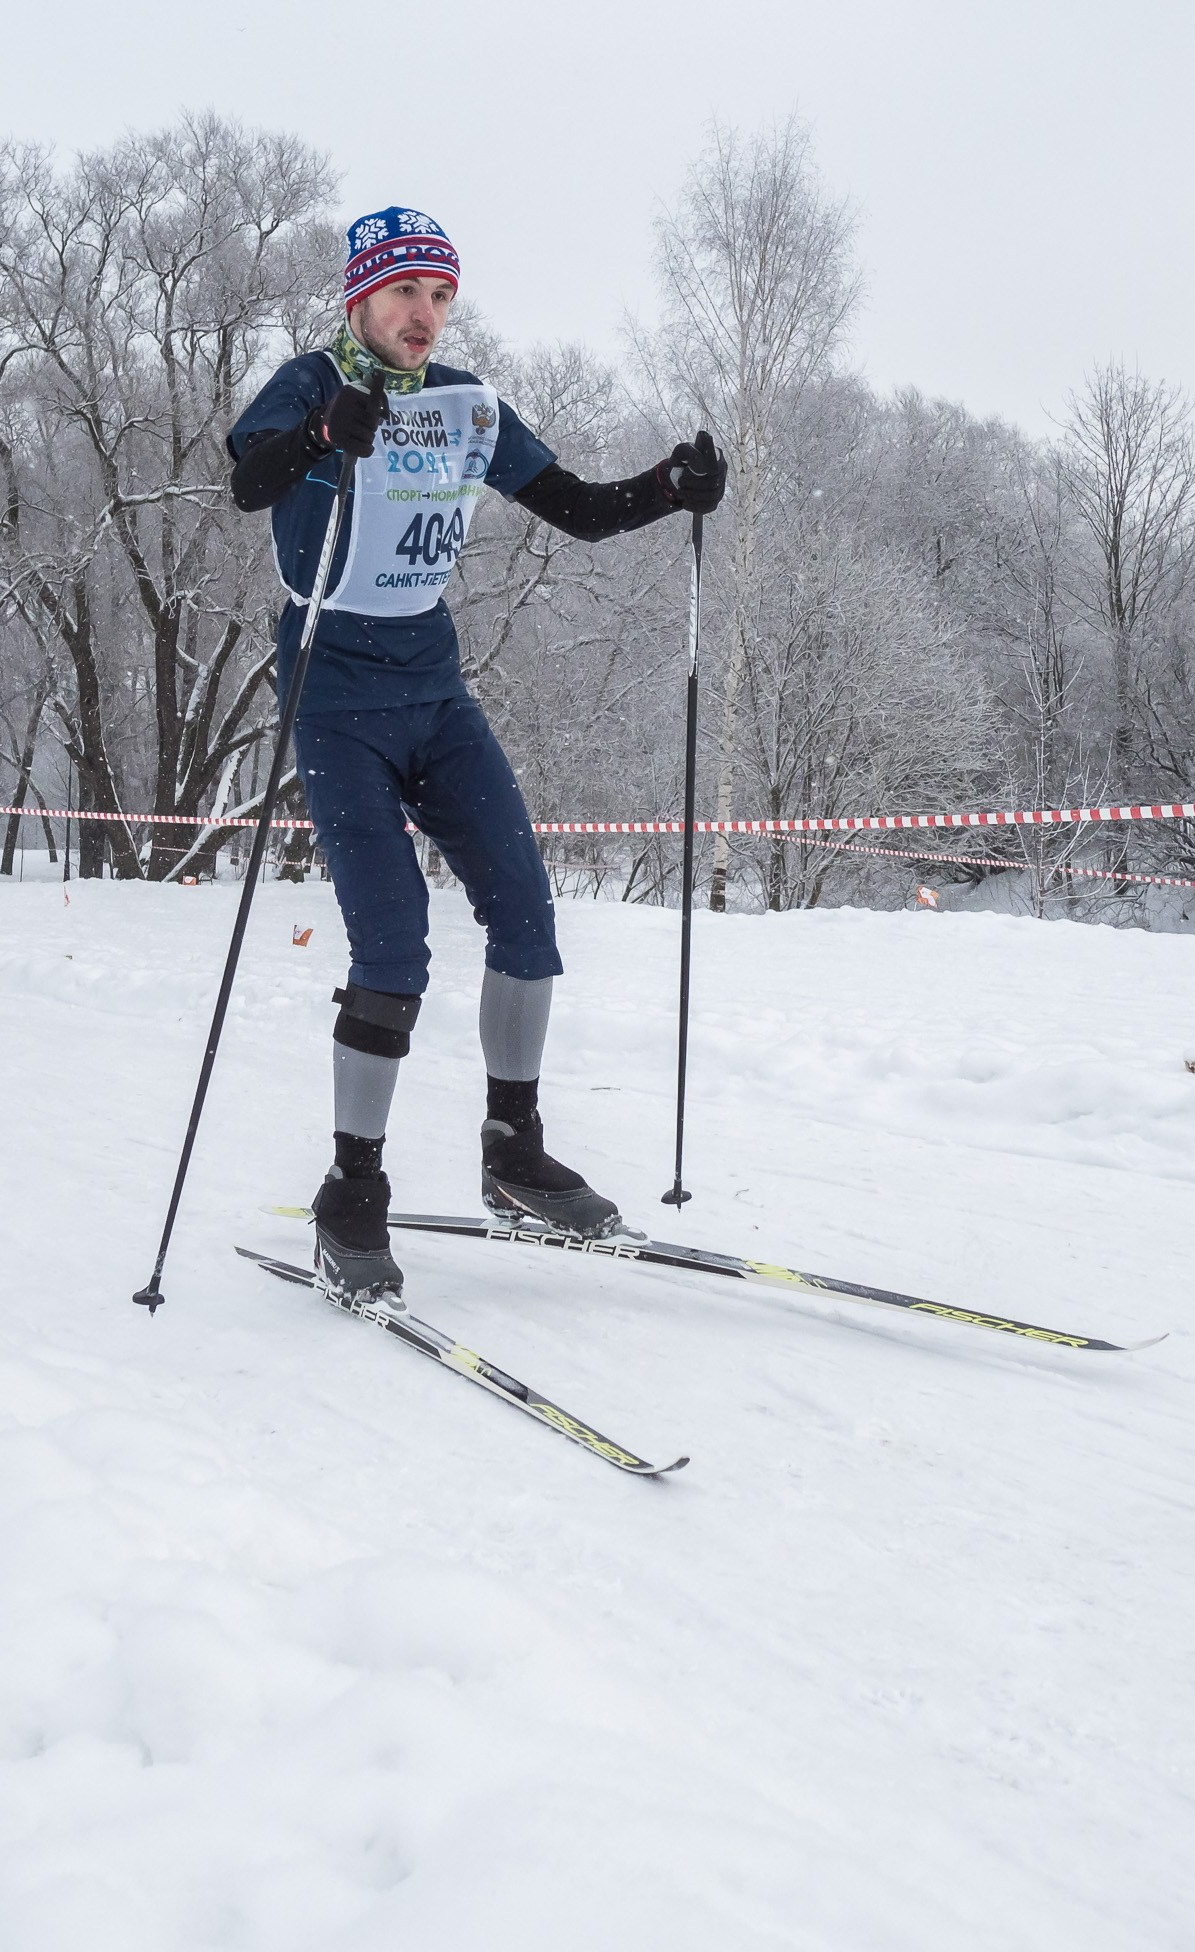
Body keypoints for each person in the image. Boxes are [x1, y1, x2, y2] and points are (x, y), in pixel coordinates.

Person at [227, 205, 724, 1305]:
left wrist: (668, 488)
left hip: (435, 694)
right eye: (406, 290)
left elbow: (578, 509)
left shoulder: (466, 405)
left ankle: (513, 1149)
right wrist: (319, 437)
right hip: (337, 700)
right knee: (393, 944)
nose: (425, 312)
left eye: (442, 295)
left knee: (527, 911)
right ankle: (352, 1188)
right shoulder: (311, 383)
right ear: (362, 296)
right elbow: (248, 481)